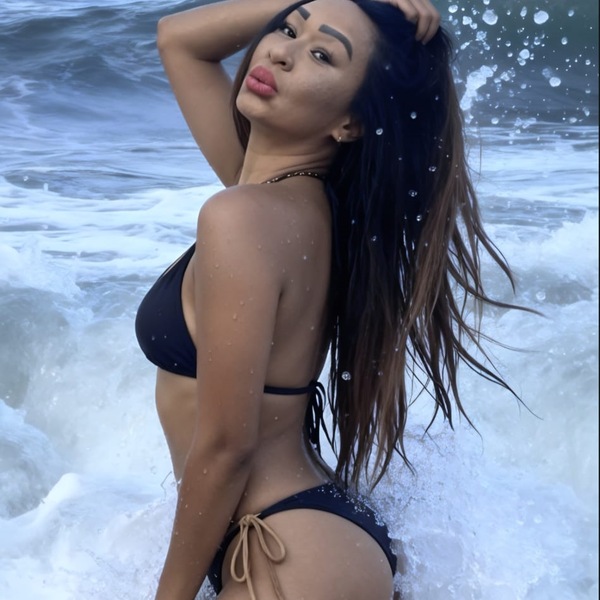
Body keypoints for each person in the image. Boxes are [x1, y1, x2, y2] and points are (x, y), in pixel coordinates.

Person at [135, 0, 518, 598]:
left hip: (289, 548)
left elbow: (228, 445)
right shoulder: (287, 205)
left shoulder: (247, 216)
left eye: (321, 54)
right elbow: (178, 38)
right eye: (287, 28)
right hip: (303, 537)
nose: (280, 52)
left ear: (351, 122)